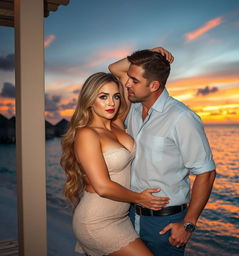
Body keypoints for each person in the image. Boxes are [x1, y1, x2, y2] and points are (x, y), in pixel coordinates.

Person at [108, 47, 216, 256]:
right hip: (129, 215)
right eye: (129, 78)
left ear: (154, 85)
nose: (127, 84)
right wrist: (151, 51)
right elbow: (114, 68)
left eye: (134, 81)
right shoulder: (135, 107)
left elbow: (207, 173)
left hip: (165, 223)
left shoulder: (182, 118)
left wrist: (188, 224)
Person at [60, 72, 169, 256]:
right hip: (97, 221)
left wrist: (152, 52)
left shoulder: (117, 124)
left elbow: (119, 70)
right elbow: (102, 186)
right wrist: (139, 198)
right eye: (103, 97)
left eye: (116, 96)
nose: (111, 103)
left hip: (121, 218)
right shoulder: (87, 134)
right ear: (90, 100)